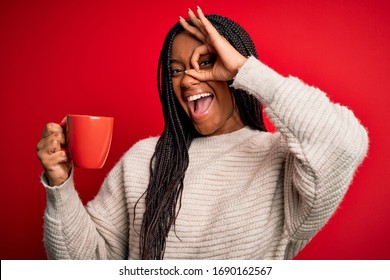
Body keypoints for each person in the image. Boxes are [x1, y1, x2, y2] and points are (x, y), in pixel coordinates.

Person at [36, 7, 369, 260]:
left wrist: (245, 70)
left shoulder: (283, 161)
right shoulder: (143, 160)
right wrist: (60, 186)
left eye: (206, 62)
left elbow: (344, 142)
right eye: (177, 70)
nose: (186, 79)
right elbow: (88, 264)